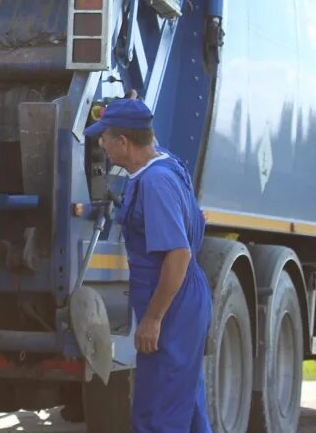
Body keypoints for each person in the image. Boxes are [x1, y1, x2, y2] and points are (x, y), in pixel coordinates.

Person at [84, 98, 212, 432]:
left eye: (105, 138)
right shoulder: (164, 163)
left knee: (159, 413)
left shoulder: (154, 184)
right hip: (183, 298)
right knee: (187, 405)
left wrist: (154, 318)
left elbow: (178, 254)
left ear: (123, 143)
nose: (102, 145)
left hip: (173, 303)